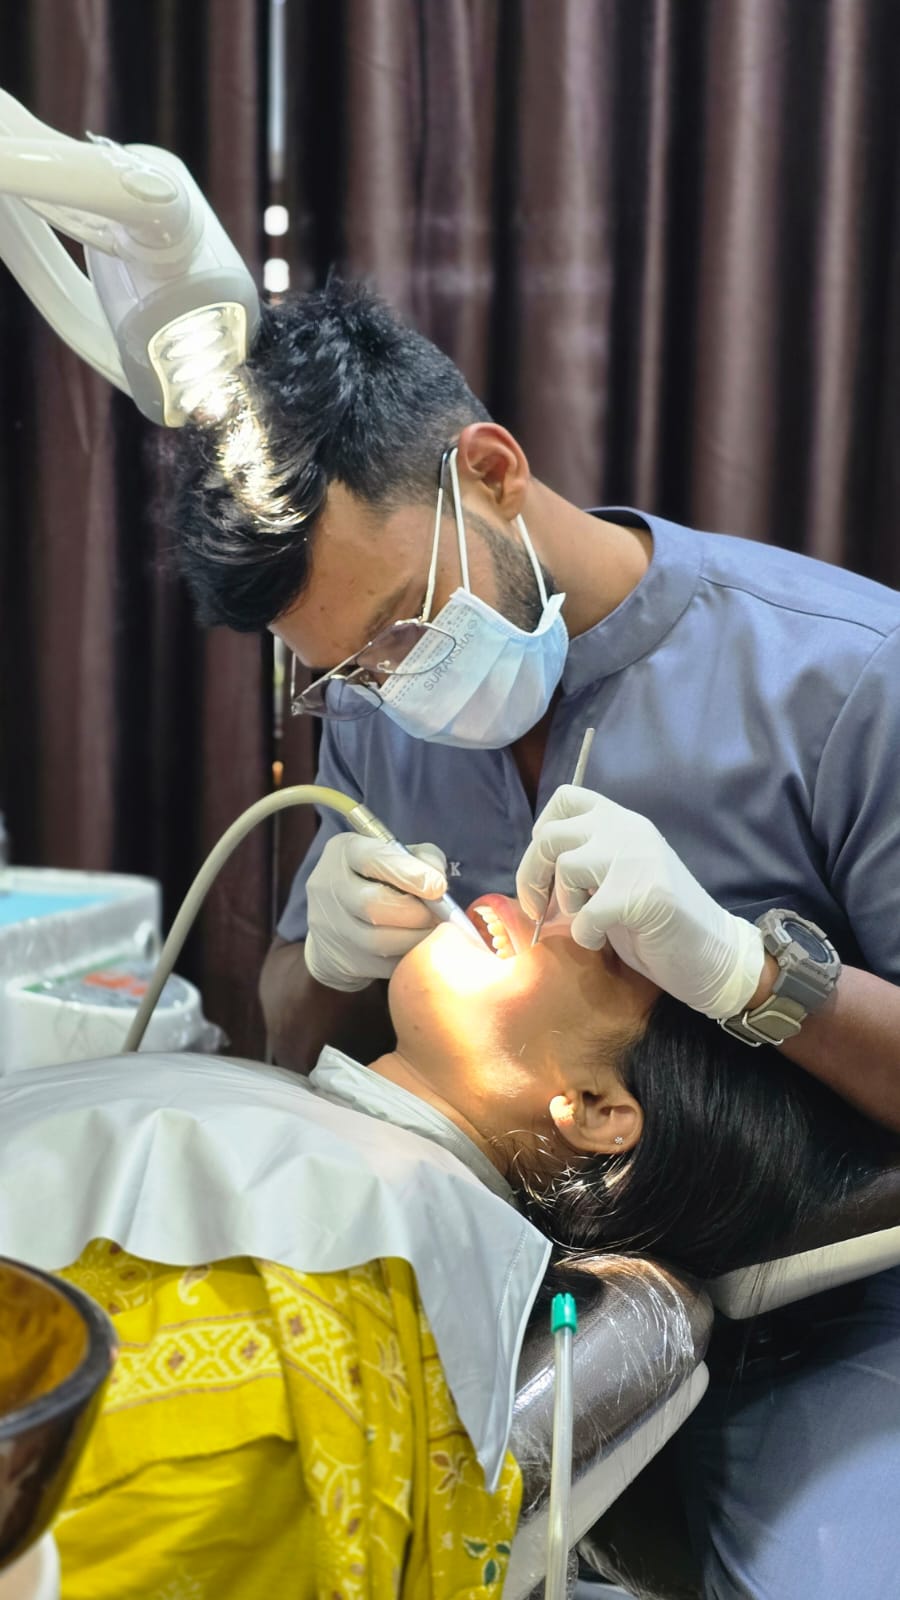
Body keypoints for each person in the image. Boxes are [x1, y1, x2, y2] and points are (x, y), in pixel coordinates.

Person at [167, 276, 900, 1600]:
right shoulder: (383, 710)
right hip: (471, 1282)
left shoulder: (848, 682)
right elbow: (286, 1034)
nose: (391, 688)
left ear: (493, 473)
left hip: (826, 1320)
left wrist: (754, 977)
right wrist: (324, 966)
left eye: (399, 631)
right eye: (349, 674)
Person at [2, 899, 896, 1596]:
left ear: (594, 1109)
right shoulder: (303, 1142)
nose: (556, 905)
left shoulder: (347, 1268)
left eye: (616, 948)